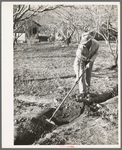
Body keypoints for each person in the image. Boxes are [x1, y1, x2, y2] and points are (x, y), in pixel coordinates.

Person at [74, 32, 99, 100]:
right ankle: (82, 92)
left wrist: (90, 61)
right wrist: (77, 75)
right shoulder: (81, 47)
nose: (84, 44)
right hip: (81, 60)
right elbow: (79, 59)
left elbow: (96, 53)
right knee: (81, 75)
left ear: (89, 41)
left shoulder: (96, 44)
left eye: (86, 42)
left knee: (88, 75)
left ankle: (87, 91)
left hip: (90, 59)